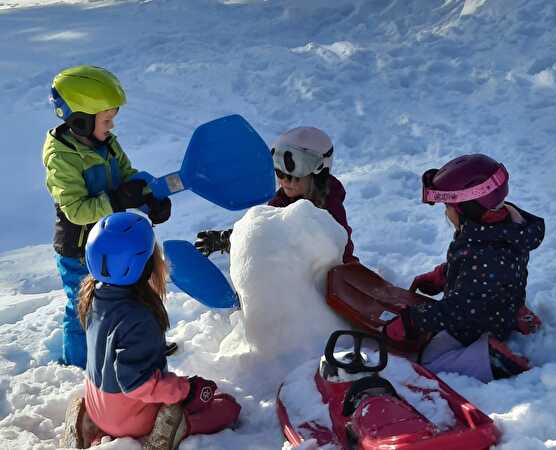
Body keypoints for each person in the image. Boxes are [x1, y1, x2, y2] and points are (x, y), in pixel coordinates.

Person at [42, 65, 171, 368]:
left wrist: (150, 198)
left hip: (113, 244)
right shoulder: (60, 157)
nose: (112, 126)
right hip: (79, 250)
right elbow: (75, 210)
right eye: (106, 120)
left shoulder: (107, 143)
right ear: (81, 121)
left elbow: (128, 175)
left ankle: (134, 348)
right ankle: (76, 366)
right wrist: (117, 199)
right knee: (83, 309)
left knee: (131, 297)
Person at [78, 212, 240, 446]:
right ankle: (177, 428)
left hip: (98, 406)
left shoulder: (94, 296)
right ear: (141, 266)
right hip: (131, 417)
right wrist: (184, 390)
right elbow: (137, 383)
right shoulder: (138, 318)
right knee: (226, 406)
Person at [384, 154, 545, 382]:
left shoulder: (483, 250)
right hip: (501, 301)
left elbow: (461, 308)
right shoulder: (504, 227)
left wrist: (414, 320)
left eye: (448, 207)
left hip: (480, 320)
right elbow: (480, 277)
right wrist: (445, 274)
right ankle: (512, 316)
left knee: (430, 361)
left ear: (468, 208)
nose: (446, 213)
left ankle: (490, 358)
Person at [195, 126, 358, 263]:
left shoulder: (329, 208)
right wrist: (228, 239)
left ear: (318, 174)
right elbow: (262, 233)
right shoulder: (280, 201)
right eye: (279, 172)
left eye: (293, 174)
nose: (285, 180)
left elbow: (341, 253)